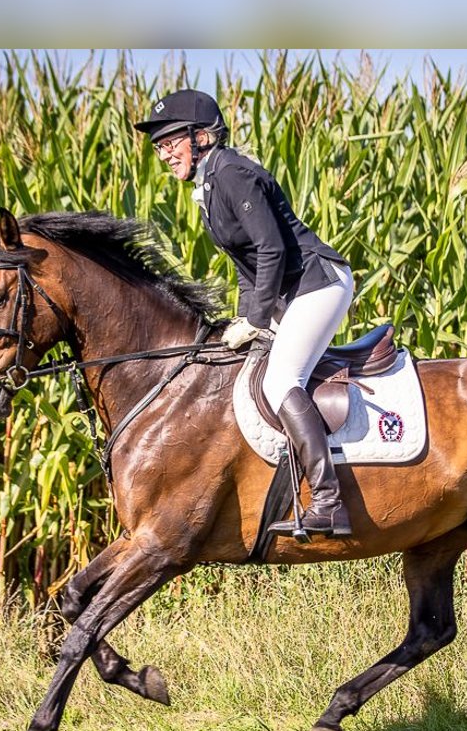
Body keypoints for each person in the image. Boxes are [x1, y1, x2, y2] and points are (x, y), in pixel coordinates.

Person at [135, 89, 354, 539]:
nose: (165, 154)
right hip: (288, 293)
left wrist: (256, 320)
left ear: (201, 136)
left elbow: (271, 249)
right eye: (159, 146)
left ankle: (329, 502)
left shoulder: (232, 173)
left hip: (318, 284)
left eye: (171, 142)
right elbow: (247, 266)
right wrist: (243, 320)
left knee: (281, 379)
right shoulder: (209, 185)